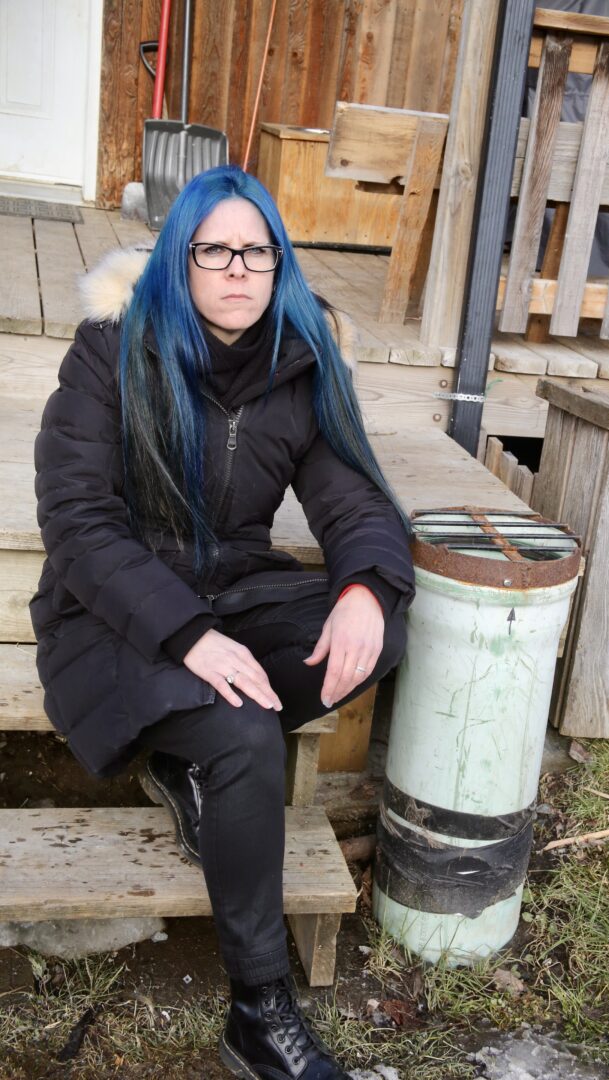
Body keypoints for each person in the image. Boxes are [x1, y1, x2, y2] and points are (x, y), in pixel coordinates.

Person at [30, 164, 415, 1080]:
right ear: (180, 260)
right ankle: (259, 1010)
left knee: (380, 629)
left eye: (258, 251)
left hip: (233, 590)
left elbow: (353, 497)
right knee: (242, 732)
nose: (238, 269)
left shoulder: (301, 363)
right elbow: (77, 519)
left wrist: (365, 583)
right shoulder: (110, 352)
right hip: (111, 614)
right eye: (216, 250)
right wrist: (188, 636)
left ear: (278, 264)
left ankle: (193, 761)